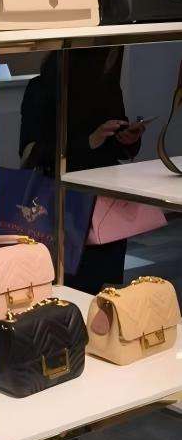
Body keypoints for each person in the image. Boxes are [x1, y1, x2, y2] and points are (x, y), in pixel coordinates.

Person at [19, 48, 145, 294]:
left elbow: (118, 147)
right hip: (64, 203)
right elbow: (30, 152)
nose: (111, 62)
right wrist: (88, 142)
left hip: (106, 201)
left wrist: (128, 139)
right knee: (68, 284)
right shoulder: (42, 88)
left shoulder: (108, 87)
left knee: (105, 287)